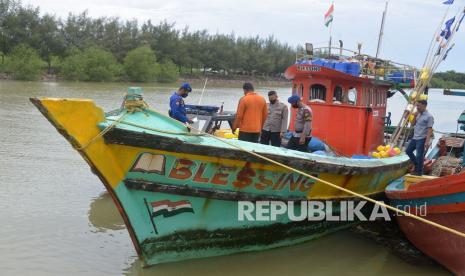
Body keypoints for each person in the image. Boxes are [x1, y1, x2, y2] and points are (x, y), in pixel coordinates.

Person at [406, 100, 434, 176]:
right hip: (415, 137)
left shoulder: (429, 116)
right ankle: (417, 165)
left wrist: (427, 141)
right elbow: (412, 124)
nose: (417, 107)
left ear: (424, 106)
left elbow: (429, 129)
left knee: (419, 155)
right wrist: (414, 116)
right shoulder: (418, 114)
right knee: (408, 151)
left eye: (419, 106)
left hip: (422, 138)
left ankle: (419, 172)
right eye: (417, 106)